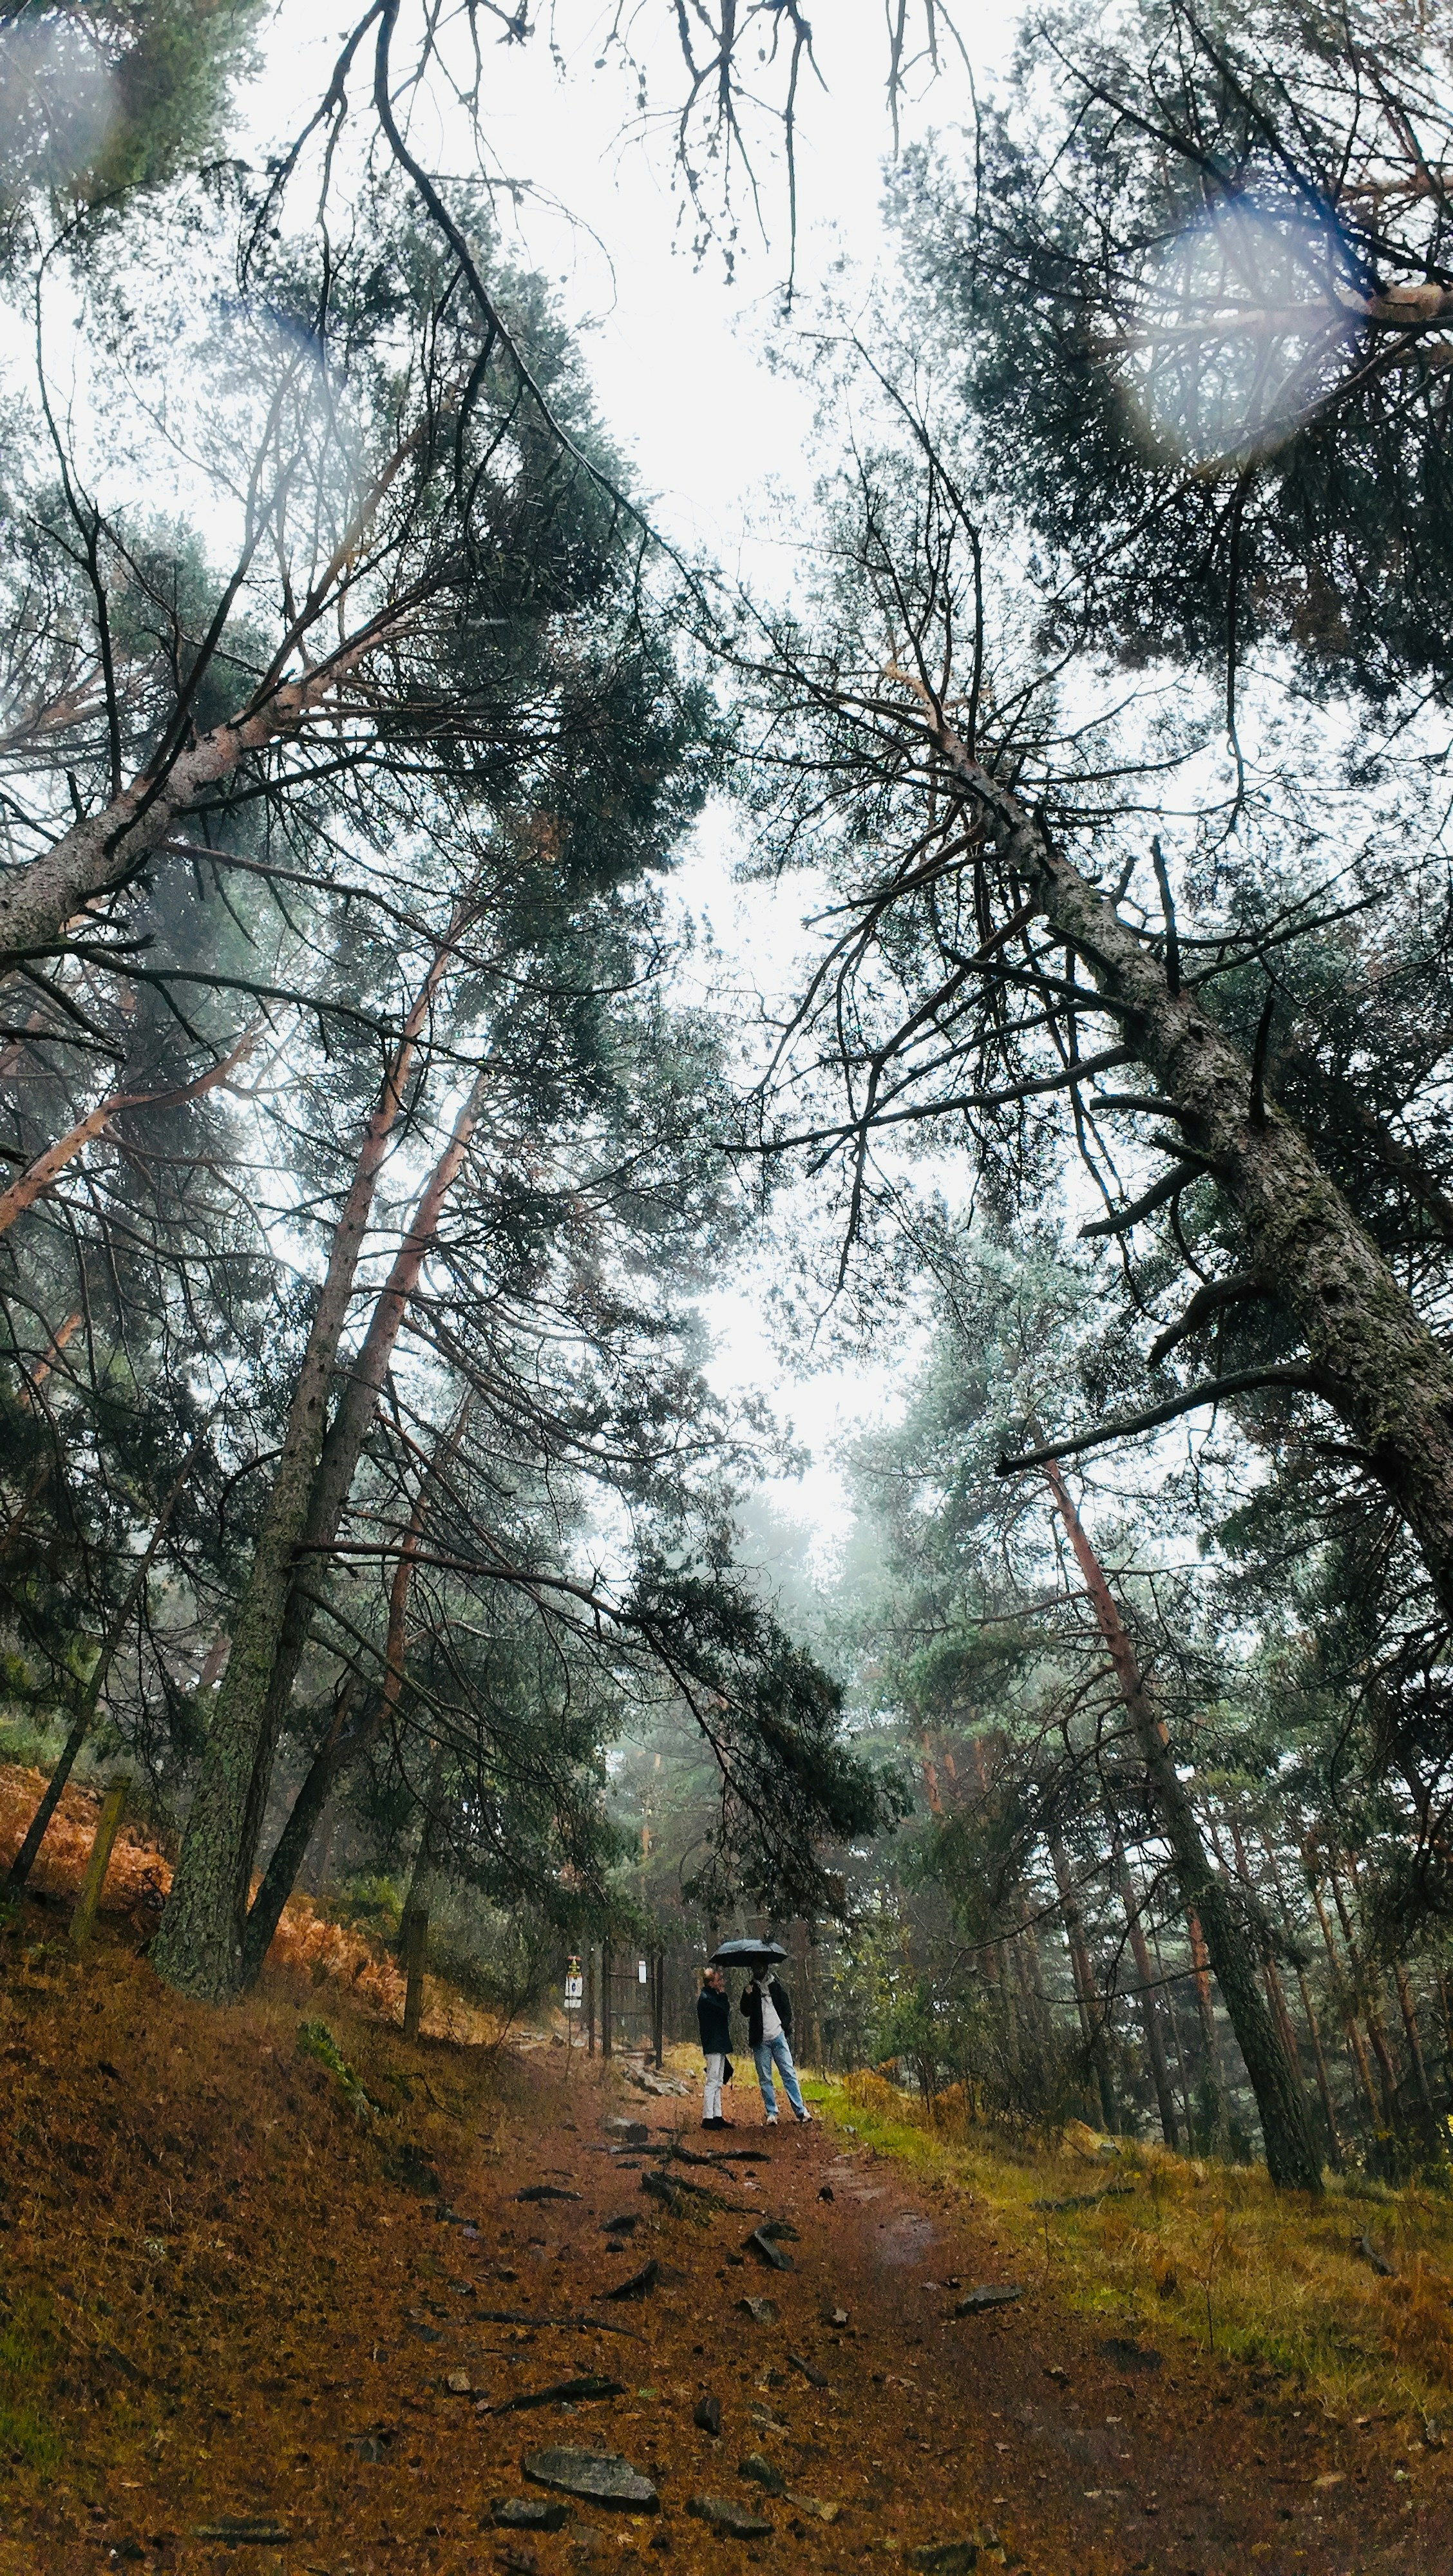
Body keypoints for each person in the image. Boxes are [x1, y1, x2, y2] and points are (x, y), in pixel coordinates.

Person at [740, 1964, 811, 2125]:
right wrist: (747, 1995)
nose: (758, 1970)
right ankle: (771, 2112)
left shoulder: (776, 1986)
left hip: (778, 2037)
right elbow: (745, 2011)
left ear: (765, 1968)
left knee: (789, 2073)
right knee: (765, 2078)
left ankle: (800, 2110)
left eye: (760, 1967)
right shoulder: (750, 1988)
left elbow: (787, 2009)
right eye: (755, 1968)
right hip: (760, 2040)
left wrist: (783, 2026)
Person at [697, 1962, 734, 2130]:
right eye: (718, 1980)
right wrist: (723, 1996)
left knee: (719, 2081)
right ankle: (707, 2116)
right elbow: (724, 2010)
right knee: (712, 2081)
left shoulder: (711, 1997)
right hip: (713, 2044)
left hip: (718, 2043)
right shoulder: (706, 2000)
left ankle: (717, 2115)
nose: (721, 1983)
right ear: (711, 1982)